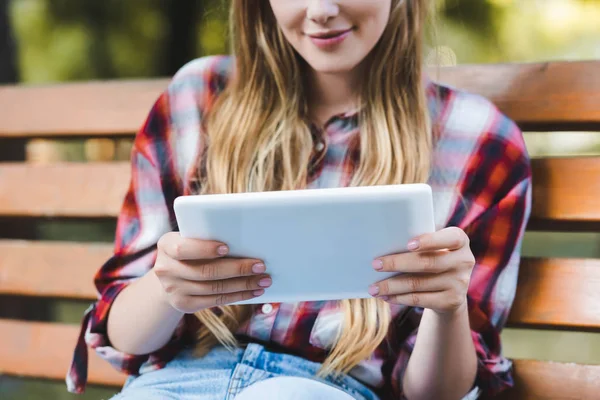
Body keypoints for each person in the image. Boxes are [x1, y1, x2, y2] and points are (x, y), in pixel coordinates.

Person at [66, 1, 531, 399]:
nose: (321, 10)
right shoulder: (198, 97)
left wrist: (447, 309)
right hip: (174, 384)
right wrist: (167, 287)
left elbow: (434, 393)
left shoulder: (479, 140)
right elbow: (125, 337)